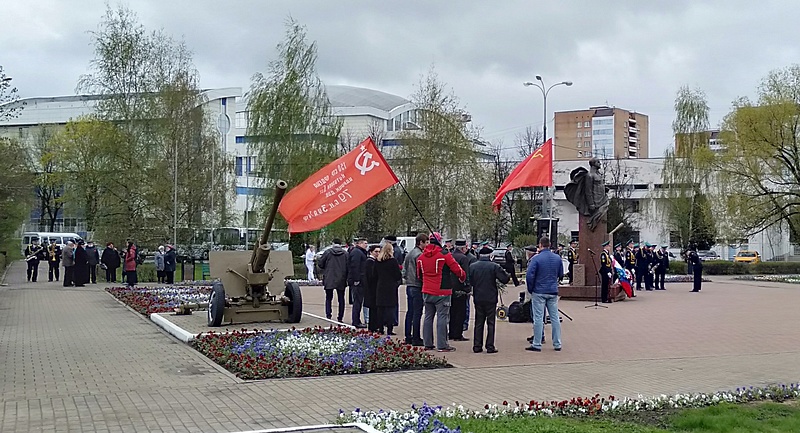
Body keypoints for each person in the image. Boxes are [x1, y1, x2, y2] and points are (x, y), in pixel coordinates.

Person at [418, 232, 466, 353]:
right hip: (442, 290)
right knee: (442, 317)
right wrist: (462, 277)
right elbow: (457, 269)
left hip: (427, 290)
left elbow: (419, 275)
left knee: (428, 316)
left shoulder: (421, 257)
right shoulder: (444, 255)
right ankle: (442, 345)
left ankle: (428, 343)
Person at [525, 236, 563, 352]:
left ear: (540, 245)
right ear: (550, 244)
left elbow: (529, 275)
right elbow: (561, 274)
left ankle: (537, 343)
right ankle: (557, 343)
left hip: (539, 291)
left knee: (538, 318)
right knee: (554, 318)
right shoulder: (557, 258)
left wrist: (531, 289)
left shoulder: (536, 259)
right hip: (552, 291)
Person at [469, 246, 509, 354]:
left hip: (478, 297)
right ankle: (490, 346)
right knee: (490, 323)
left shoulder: (473, 267)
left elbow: (470, 281)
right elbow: (505, 279)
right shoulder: (494, 266)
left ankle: (477, 346)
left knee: (478, 322)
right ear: (490, 256)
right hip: (491, 298)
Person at [402, 233, 428, 346]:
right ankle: (416, 337)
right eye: (426, 242)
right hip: (417, 286)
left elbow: (404, 270)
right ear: (420, 242)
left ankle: (408, 336)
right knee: (417, 313)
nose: (427, 245)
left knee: (410, 312)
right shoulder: (419, 255)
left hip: (409, 285)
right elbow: (421, 272)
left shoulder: (409, 254)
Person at [372, 243, 402, 335]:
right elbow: (398, 275)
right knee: (390, 308)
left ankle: (380, 328)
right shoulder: (393, 261)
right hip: (391, 286)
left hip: (380, 286)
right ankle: (389, 328)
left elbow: (374, 275)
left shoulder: (378, 261)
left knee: (380, 308)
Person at [449, 240, 475, 342]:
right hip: (460, 289)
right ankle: (457, 334)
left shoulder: (450, 256)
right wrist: (468, 288)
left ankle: (451, 332)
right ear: (463, 248)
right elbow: (465, 274)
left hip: (450, 288)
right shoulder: (463, 258)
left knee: (452, 312)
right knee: (461, 312)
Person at [318, 238, 349, 323]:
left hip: (329, 278)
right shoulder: (345, 254)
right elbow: (349, 266)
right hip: (341, 278)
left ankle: (328, 315)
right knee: (341, 299)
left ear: (333, 243)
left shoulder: (327, 252)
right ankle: (340, 317)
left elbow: (320, 264)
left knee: (328, 298)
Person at [347, 238, 369, 328]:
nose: (366, 245)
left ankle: (357, 320)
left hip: (360, 280)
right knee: (357, 302)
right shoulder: (357, 252)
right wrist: (356, 280)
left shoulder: (359, 252)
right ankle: (356, 321)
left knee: (358, 301)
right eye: (365, 243)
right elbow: (355, 267)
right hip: (358, 281)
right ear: (359, 243)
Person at [364, 244, 381, 332]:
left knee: (375, 308)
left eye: (379, 251)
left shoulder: (374, 261)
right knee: (373, 308)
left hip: (373, 288)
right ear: (371, 252)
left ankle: (375, 325)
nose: (377, 253)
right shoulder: (370, 261)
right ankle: (373, 326)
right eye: (376, 252)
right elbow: (370, 276)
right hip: (371, 288)